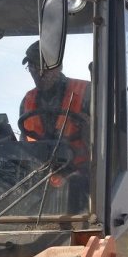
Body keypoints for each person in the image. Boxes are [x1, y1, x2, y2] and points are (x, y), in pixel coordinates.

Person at [19, 41, 90, 171]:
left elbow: (104, 145)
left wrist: (89, 129)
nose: (38, 73)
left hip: (83, 176)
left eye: (43, 66)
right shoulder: (27, 100)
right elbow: (24, 148)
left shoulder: (87, 92)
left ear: (59, 66)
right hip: (38, 178)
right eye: (32, 67)